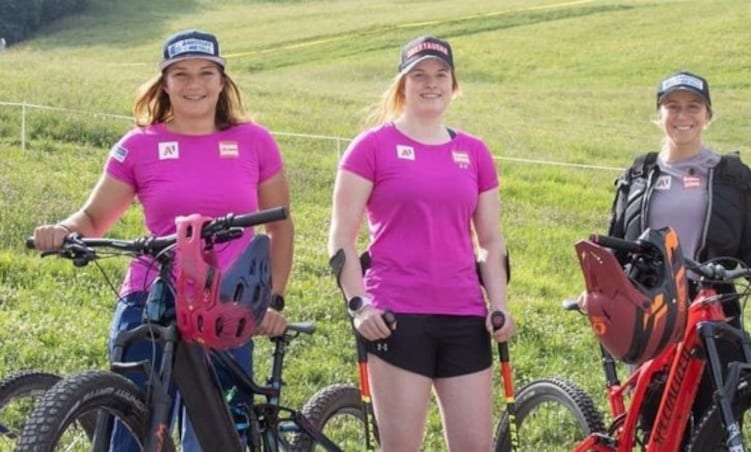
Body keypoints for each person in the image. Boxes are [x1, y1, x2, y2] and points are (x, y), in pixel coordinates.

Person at [30, 29, 294, 450]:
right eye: (181, 74)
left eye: (206, 73)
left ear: (222, 81)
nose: (194, 85)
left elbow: (279, 226)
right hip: (150, 297)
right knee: (132, 425)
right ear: (165, 83)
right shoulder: (138, 145)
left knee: (215, 434)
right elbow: (95, 217)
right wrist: (63, 230)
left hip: (229, 302)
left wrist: (272, 299)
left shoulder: (254, 141)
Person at [327, 35, 515, 451]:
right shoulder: (371, 148)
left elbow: (490, 240)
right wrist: (359, 305)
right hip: (396, 318)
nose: (431, 84)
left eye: (440, 75)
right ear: (402, 84)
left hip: (465, 316)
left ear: (453, 83)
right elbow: (341, 237)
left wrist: (499, 305)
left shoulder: (475, 152)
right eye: (419, 75)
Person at [606, 70, 751, 435]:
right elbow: (617, 244)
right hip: (655, 314)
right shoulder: (639, 174)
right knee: (658, 428)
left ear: (708, 115)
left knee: (717, 424)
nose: (683, 116)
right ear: (659, 115)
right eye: (672, 106)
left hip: (714, 312)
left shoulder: (734, 177)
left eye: (693, 107)